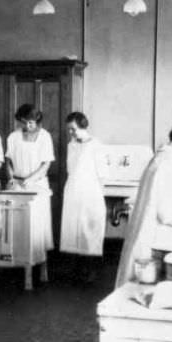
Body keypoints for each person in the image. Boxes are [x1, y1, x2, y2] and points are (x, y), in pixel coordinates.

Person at [114, 118, 172, 289]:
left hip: (151, 238)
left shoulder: (162, 158)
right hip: (155, 242)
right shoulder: (169, 164)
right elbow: (167, 215)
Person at [59, 112, 107, 271]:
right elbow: (70, 169)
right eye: (69, 130)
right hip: (73, 190)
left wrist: (98, 193)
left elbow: (102, 173)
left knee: (90, 230)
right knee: (73, 229)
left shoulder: (96, 145)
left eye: (73, 129)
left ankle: (91, 269)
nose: (71, 133)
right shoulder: (71, 145)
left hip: (90, 191)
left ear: (83, 126)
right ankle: (76, 270)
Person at [6, 104, 55, 250]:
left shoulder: (44, 136)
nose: (27, 125)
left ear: (37, 120)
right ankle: (19, 260)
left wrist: (30, 180)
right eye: (24, 122)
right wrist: (11, 177)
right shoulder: (13, 137)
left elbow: (46, 164)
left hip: (37, 185)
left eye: (31, 122)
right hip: (17, 186)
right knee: (17, 224)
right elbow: (8, 161)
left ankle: (41, 264)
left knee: (37, 226)